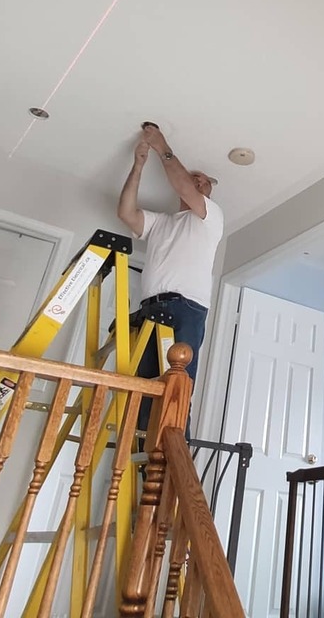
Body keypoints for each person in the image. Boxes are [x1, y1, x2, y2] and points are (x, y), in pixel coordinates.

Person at [117, 122, 224, 438]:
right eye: (195, 179)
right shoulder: (161, 223)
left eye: (204, 182)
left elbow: (183, 189)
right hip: (150, 310)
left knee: (176, 390)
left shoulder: (211, 218)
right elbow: (126, 212)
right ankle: (145, 470)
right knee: (146, 392)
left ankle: (171, 472)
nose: (197, 182)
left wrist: (161, 145)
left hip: (185, 310)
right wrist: (138, 165)